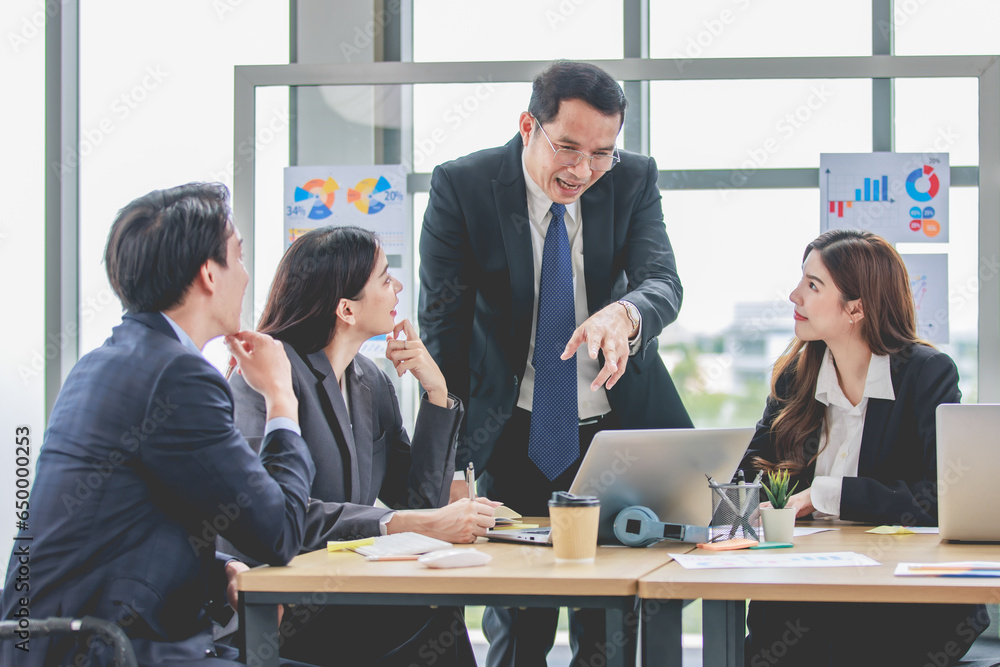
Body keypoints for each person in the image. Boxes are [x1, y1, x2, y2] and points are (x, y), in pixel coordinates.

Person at [418, 60, 692, 667]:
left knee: (611, 628)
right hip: (515, 429)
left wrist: (626, 312)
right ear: (528, 126)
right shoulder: (464, 187)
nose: (583, 170)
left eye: (602, 152)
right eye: (568, 147)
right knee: (520, 624)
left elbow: (662, 281)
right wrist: (454, 459)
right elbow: (444, 329)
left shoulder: (631, 179)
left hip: (617, 432)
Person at [0, 183, 316, 666]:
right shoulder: (177, 375)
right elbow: (280, 532)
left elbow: (118, 530)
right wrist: (281, 397)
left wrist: (221, 567)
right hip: (109, 651)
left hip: (58, 644)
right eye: (239, 255)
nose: (248, 275)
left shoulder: (104, 362)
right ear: (209, 273)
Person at [226, 225, 497, 666]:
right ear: (346, 309)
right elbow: (273, 513)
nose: (398, 288)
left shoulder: (370, 380)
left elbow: (417, 499)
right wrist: (412, 524)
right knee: (436, 624)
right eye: (386, 279)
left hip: (345, 589)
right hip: (285, 604)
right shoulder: (267, 375)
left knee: (438, 616)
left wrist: (437, 393)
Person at [739, 229, 987, 666]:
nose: (794, 296)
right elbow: (754, 475)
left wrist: (826, 493)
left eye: (813, 286)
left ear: (857, 307)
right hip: (801, 596)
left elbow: (939, 496)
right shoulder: (795, 376)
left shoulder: (926, 375)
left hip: (905, 604)